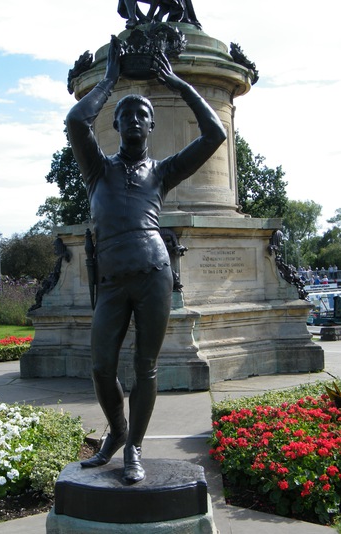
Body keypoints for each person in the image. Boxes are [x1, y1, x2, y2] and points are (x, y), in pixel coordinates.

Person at [66, 36, 226, 483]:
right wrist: (110, 80)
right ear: (116, 124)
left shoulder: (162, 171)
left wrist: (178, 84)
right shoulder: (97, 169)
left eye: (142, 115)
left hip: (155, 273)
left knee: (145, 367)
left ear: (151, 126)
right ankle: (117, 432)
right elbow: (76, 120)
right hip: (112, 280)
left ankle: (134, 447)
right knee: (101, 367)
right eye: (127, 114)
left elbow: (215, 134)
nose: (135, 119)